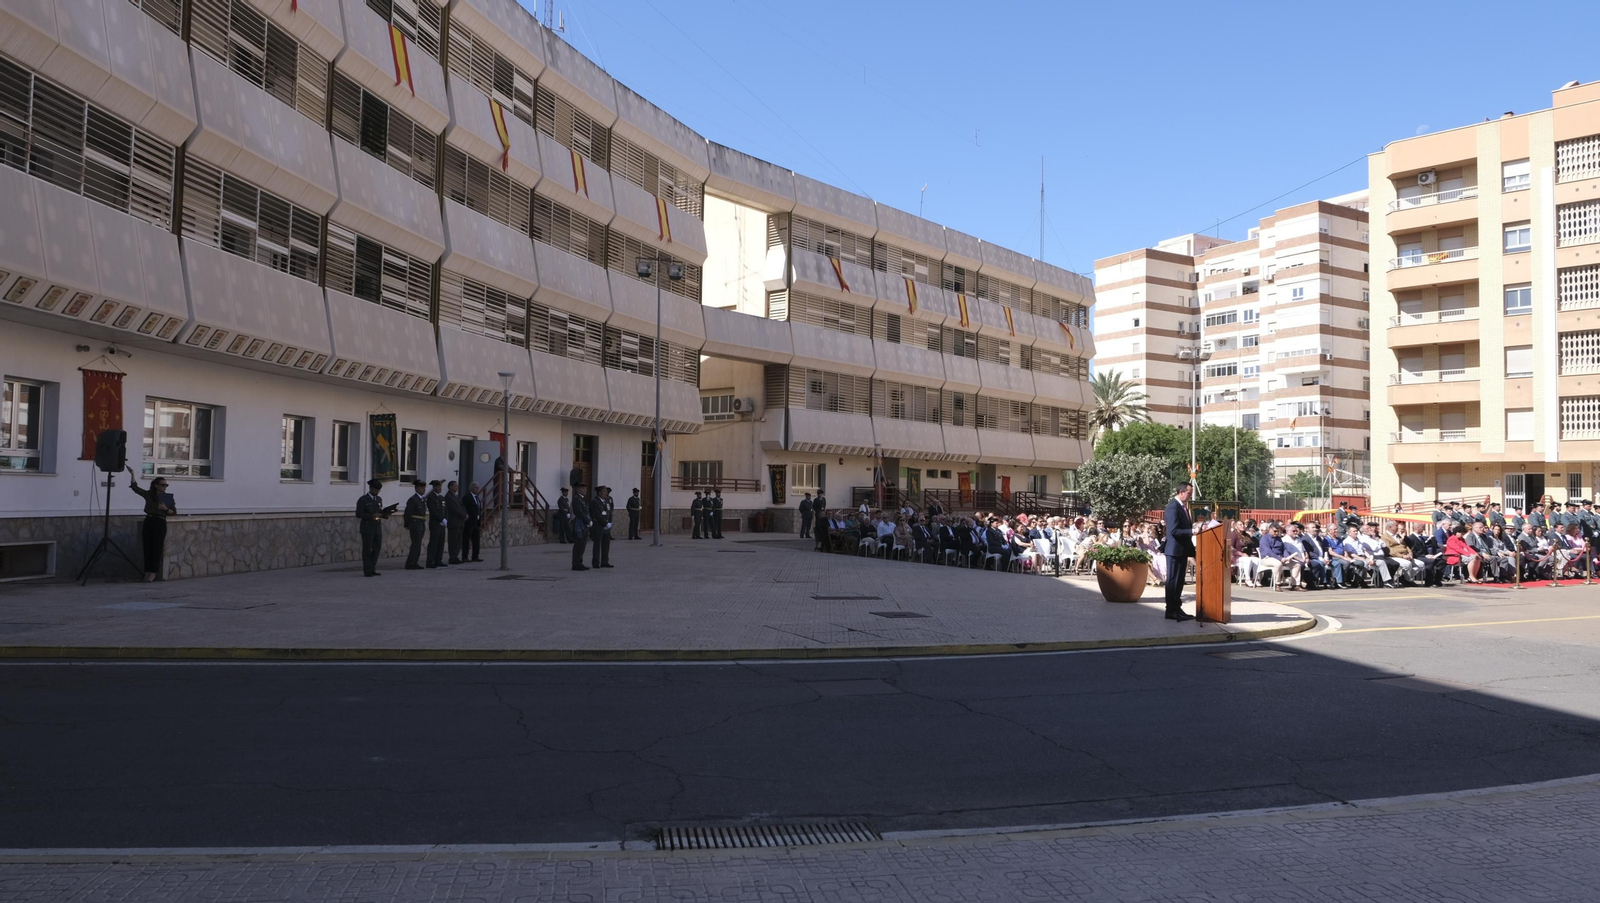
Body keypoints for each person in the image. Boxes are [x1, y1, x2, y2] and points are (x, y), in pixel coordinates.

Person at [126, 468, 175, 582]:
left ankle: (153, 573)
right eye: (162, 485)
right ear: (156, 486)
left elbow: (173, 512)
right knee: (147, 546)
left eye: (166, 485)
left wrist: (165, 509)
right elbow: (136, 488)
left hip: (160, 522)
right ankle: (147, 571)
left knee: (156, 547)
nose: (164, 487)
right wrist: (133, 474)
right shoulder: (149, 495)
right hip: (149, 520)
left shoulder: (167, 498)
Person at [1161, 484, 1196, 620]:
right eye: (1189, 493)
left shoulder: (1182, 507)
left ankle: (1177, 608)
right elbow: (1174, 530)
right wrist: (1192, 531)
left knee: (1179, 581)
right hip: (1174, 550)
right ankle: (1170, 610)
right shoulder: (1172, 507)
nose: (1190, 496)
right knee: (1172, 581)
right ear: (1181, 492)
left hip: (1182, 550)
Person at [355, 478, 394, 577]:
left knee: (377, 549)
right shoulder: (363, 499)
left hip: (377, 527)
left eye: (378, 490)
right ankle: (367, 570)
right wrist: (371, 515)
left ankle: (372, 568)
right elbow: (359, 514)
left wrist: (386, 514)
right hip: (367, 527)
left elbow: (380, 512)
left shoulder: (379, 499)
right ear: (371, 489)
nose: (377, 492)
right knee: (367, 549)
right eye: (375, 490)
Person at [403, 479, 428, 569]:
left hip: (420, 524)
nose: (423, 490)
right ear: (416, 489)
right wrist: (407, 524)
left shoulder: (421, 499)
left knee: (418, 544)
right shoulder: (413, 500)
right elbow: (407, 513)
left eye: (424, 488)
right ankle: (410, 563)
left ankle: (415, 562)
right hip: (415, 524)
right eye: (421, 488)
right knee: (415, 544)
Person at [425, 480, 448, 568]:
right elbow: (433, 511)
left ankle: (438, 560)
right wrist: (441, 519)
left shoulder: (441, 497)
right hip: (435, 523)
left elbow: (445, 509)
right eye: (438, 487)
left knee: (441, 542)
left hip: (442, 523)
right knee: (434, 542)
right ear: (434, 487)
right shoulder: (431, 498)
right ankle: (430, 561)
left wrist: (446, 518)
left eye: (440, 486)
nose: (439, 488)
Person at [570, 483, 592, 571]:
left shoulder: (583, 499)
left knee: (583, 544)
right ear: (578, 489)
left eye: (585, 489)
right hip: (579, 524)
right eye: (583, 489)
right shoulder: (576, 499)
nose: (585, 490)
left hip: (584, 524)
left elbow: (586, 511)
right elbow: (579, 512)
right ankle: (576, 564)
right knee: (578, 544)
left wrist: (589, 520)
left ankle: (580, 562)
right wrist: (587, 521)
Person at [445, 480, 467, 565]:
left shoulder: (456, 496)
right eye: (455, 486)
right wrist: (463, 515)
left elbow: (461, 506)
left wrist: (465, 514)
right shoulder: (448, 497)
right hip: (454, 522)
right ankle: (452, 557)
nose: (457, 487)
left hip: (460, 522)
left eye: (457, 486)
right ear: (450, 487)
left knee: (458, 541)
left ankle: (456, 556)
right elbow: (453, 509)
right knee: (453, 541)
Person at [591, 486, 614, 568]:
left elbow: (610, 512)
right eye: (604, 491)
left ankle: (605, 561)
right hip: (598, 526)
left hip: (606, 527)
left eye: (606, 491)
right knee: (597, 545)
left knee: (606, 545)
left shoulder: (607, 501)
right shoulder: (595, 502)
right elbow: (597, 515)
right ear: (599, 493)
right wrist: (605, 524)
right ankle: (596, 562)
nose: (606, 493)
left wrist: (610, 522)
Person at [462, 482, 483, 562]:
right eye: (475, 487)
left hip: (476, 522)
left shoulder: (477, 498)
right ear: (470, 488)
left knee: (476, 540)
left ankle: (475, 556)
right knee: (466, 540)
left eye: (477, 487)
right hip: (469, 522)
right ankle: (465, 557)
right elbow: (464, 508)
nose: (477, 489)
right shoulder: (467, 497)